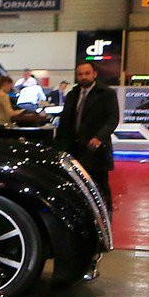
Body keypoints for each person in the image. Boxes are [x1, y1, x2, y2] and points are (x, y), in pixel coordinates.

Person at [54, 60, 119, 210]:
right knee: (76, 186)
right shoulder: (72, 94)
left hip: (95, 149)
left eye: (87, 73)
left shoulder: (106, 94)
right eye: (80, 74)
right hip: (74, 149)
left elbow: (112, 119)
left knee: (100, 186)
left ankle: (105, 215)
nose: (83, 77)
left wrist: (99, 137)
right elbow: (65, 121)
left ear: (94, 74)